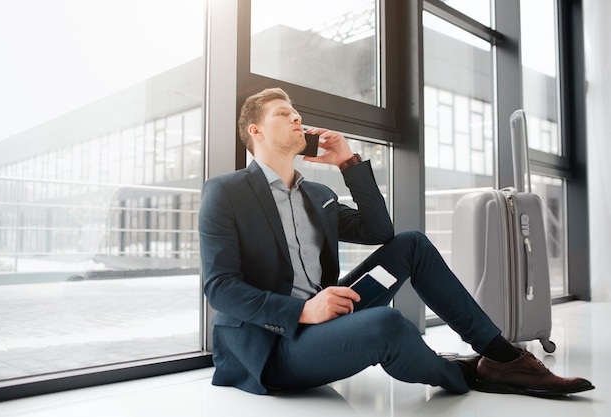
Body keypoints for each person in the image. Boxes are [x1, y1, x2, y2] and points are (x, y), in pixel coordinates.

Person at [199, 87, 594, 397]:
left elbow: (380, 233)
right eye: (283, 113)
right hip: (275, 345)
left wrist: (349, 164)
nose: (296, 116)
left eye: (296, 110)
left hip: (328, 318)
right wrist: (302, 311)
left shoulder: (317, 195)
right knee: (386, 324)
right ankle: (462, 373)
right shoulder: (225, 192)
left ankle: (502, 356)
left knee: (412, 244)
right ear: (256, 130)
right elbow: (220, 288)